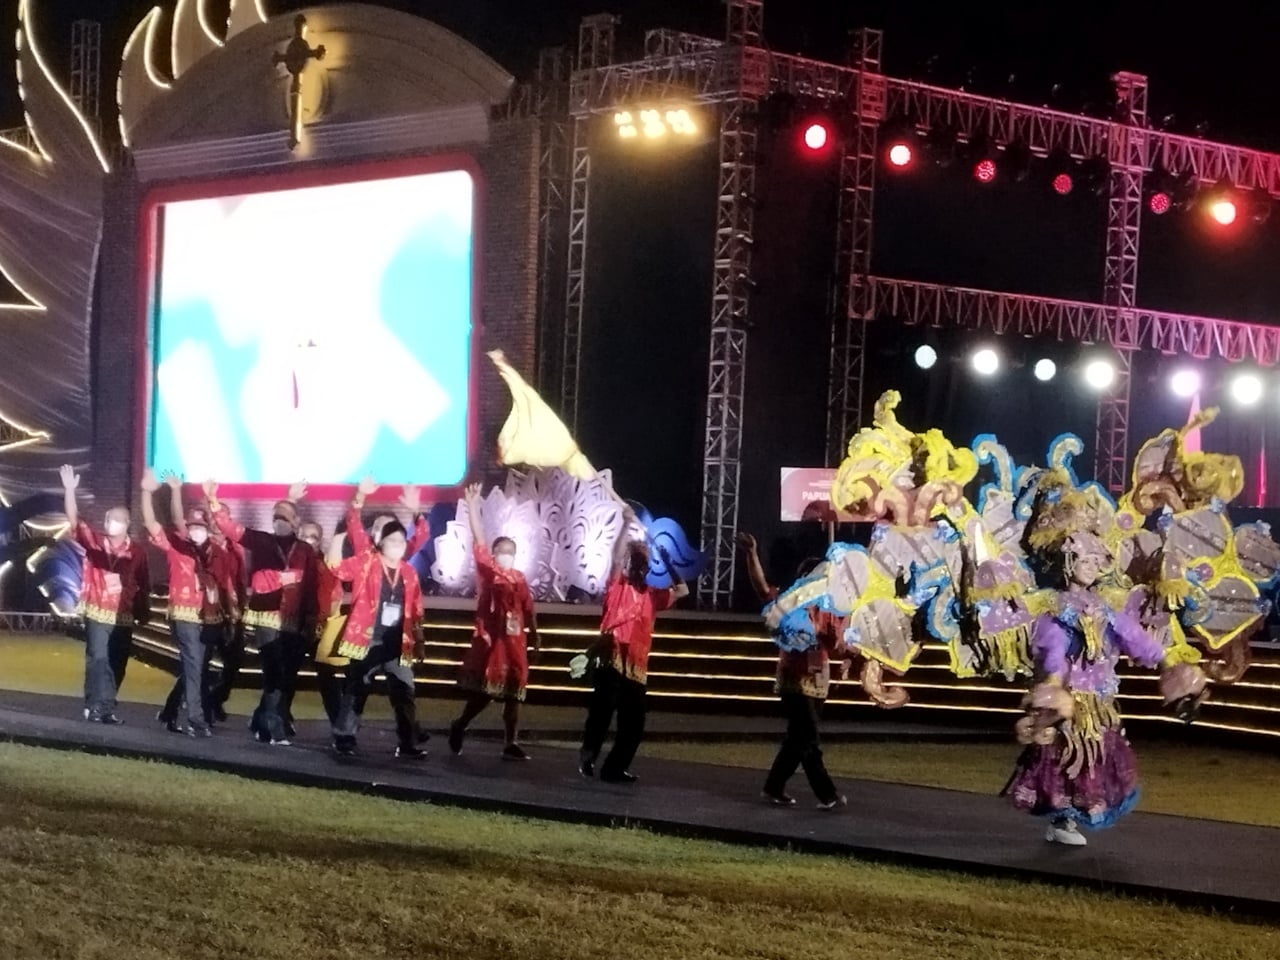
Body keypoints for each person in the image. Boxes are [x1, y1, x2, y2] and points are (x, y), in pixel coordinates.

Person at [738, 532, 849, 810]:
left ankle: (775, 787)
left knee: (800, 739)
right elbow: (763, 590)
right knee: (807, 736)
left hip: (819, 679)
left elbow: (838, 644)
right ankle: (826, 794)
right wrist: (751, 554)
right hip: (794, 677)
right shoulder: (791, 603)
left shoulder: (830, 609)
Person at [579, 499, 687, 783]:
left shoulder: (652, 595)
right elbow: (615, 559)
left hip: (636, 664)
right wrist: (626, 523)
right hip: (612, 656)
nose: (639, 566)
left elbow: (682, 590)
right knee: (602, 713)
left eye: (644, 562)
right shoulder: (617, 586)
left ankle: (615, 767)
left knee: (634, 721)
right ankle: (588, 755)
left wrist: (669, 563)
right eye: (635, 561)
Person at [204, 478, 316, 745]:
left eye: (285, 517)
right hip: (266, 617)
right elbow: (231, 528)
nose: (279, 521)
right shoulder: (262, 540)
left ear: (296, 522)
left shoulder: (305, 550)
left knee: (284, 676)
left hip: (292, 620)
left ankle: (260, 719)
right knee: (274, 671)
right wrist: (213, 501)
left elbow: (311, 586)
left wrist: (311, 619)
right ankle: (271, 728)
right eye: (276, 517)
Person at [447, 482, 541, 760]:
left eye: (510, 550)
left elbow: (528, 608)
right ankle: (460, 724)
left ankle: (511, 742)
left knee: (515, 693)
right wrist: (472, 506)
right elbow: (479, 540)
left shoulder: (519, 578)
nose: (506, 554)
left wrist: (535, 634)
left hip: (516, 642)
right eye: (501, 550)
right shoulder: (488, 572)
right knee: (486, 692)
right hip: (494, 641)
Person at [142, 469, 235, 737]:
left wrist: (230, 616)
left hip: (209, 617)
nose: (195, 531)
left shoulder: (216, 553)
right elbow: (153, 522)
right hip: (184, 614)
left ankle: (170, 712)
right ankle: (196, 719)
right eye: (191, 526)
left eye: (200, 527)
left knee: (195, 667)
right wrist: (148, 492)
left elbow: (225, 584)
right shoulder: (177, 547)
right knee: (194, 664)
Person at [328, 517, 426, 758]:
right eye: (392, 540)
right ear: (381, 542)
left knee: (404, 691)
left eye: (401, 541)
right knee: (357, 688)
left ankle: (407, 742)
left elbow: (416, 609)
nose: (397, 545)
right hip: (367, 638)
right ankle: (344, 737)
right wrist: (340, 534)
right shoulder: (367, 562)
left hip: (398, 642)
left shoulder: (409, 572)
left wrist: (420, 640)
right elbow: (337, 568)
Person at [60, 464, 151, 724]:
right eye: (109, 520)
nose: (111, 524)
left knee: (117, 662)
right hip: (98, 610)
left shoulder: (137, 552)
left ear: (127, 524)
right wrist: (69, 491)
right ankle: (97, 706)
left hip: (123, 613)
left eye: (117, 520)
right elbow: (74, 521)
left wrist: (142, 611)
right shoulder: (95, 543)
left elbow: (143, 582)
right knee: (98, 658)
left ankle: (104, 704)